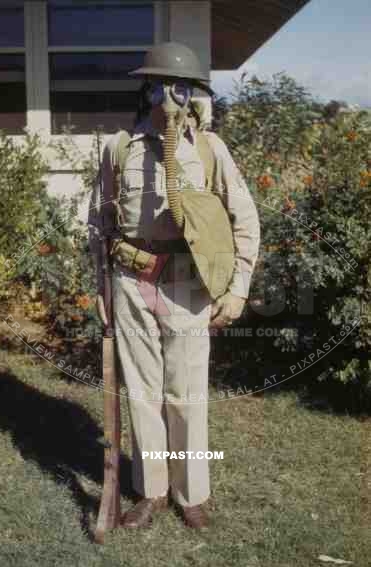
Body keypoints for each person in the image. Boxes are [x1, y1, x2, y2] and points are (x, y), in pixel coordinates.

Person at [88, 42, 260, 529]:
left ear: (194, 96)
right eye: (160, 85)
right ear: (145, 90)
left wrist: (238, 285)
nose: (170, 96)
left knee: (186, 392)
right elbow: (98, 222)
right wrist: (101, 287)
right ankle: (153, 491)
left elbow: (244, 217)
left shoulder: (209, 149)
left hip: (188, 283)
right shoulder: (118, 147)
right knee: (142, 391)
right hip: (130, 279)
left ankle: (191, 494)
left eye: (180, 87)